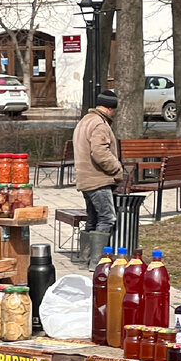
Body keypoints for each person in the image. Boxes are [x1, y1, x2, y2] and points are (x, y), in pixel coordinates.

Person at [73, 90, 124, 268]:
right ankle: (97, 262)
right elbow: (100, 153)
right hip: (98, 179)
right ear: (111, 108)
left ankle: (85, 258)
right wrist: (117, 169)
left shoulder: (84, 121)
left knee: (92, 219)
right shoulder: (99, 124)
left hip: (85, 178)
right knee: (107, 218)